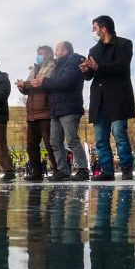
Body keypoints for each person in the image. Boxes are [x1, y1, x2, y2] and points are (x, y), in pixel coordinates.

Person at [80, 15, 135, 181]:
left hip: (118, 95)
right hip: (99, 98)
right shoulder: (94, 50)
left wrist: (98, 66)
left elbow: (122, 66)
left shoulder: (124, 44)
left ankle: (126, 168)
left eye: (94, 27)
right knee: (100, 138)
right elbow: (90, 75)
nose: (93, 31)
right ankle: (106, 170)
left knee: (120, 134)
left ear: (103, 29)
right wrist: (85, 70)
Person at [33, 41, 90, 181]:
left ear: (65, 50)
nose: (56, 52)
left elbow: (65, 82)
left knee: (72, 140)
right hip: (57, 109)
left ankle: (83, 169)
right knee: (55, 142)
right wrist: (41, 83)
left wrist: (44, 81)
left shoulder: (74, 61)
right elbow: (52, 85)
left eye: (57, 49)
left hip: (70, 107)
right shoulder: (58, 65)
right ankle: (63, 170)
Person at [17, 46, 58, 182]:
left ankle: (58, 169)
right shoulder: (34, 69)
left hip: (46, 111)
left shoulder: (53, 65)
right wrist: (22, 86)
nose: (38, 56)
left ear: (49, 54)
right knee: (31, 145)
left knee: (49, 144)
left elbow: (46, 82)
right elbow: (30, 86)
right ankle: (36, 171)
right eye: (37, 54)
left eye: (41, 53)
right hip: (32, 112)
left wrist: (31, 84)